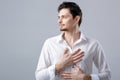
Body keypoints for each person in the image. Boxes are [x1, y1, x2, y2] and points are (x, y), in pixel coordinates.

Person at [35, 1, 111, 80]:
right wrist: (58, 66)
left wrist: (86, 77)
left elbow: (107, 75)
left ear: (76, 19)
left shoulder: (93, 44)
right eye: (59, 17)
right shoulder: (50, 43)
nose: (59, 21)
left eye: (64, 17)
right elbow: (39, 76)